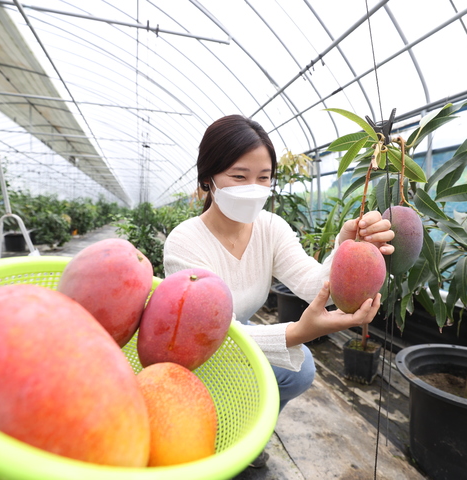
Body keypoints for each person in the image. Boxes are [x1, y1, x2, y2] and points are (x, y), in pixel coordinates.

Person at [163, 114, 395, 465]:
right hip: (194, 344)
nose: (253, 187)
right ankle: (216, 432)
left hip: (235, 329)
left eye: (264, 177)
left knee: (299, 371)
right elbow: (214, 334)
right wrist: (299, 331)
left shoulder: (271, 228)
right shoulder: (185, 242)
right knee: (217, 400)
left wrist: (346, 249)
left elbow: (314, 284)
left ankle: (253, 430)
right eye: (239, 176)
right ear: (208, 180)